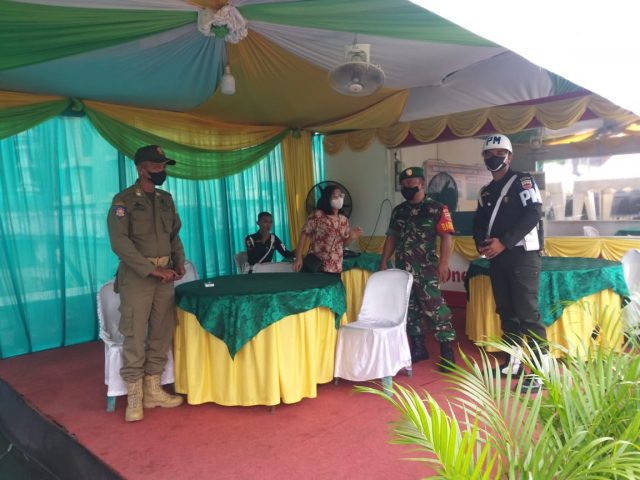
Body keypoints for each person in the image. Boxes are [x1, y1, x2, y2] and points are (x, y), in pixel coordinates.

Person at [107, 145, 185, 422]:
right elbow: (120, 243)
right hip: (138, 278)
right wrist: (152, 270)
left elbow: (174, 235)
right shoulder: (123, 201)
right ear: (141, 169)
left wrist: (179, 262)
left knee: (161, 332)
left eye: (163, 165)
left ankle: (153, 391)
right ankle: (134, 397)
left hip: (166, 276)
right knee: (135, 334)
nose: (161, 170)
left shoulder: (166, 199)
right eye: (156, 166)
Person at [472, 134, 546, 393]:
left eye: (499, 153)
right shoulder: (485, 191)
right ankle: (513, 364)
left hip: (522, 255)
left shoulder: (523, 181)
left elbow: (533, 214)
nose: (494, 158)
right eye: (489, 154)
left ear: (510, 156)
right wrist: (480, 244)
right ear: (484, 157)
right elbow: (479, 222)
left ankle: (541, 372)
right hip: (497, 258)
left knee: (528, 314)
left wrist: (504, 242)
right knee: (506, 313)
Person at [379, 167, 456, 369]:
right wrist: (384, 261)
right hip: (403, 270)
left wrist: (444, 264)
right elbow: (392, 237)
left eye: (411, 183)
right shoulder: (399, 211)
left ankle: (447, 352)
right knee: (410, 309)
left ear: (421, 184)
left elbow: (447, 237)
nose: (406, 187)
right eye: (403, 184)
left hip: (426, 269)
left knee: (436, 309)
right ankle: (418, 348)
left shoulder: (437, 208)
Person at [293, 185, 362, 275]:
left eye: (341, 196)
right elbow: (304, 233)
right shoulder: (318, 215)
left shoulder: (344, 220)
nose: (339, 199)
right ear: (327, 198)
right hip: (316, 265)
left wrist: (351, 238)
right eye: (335, 196)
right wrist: (298, 257)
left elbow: (342, 245)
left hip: (335, 267)